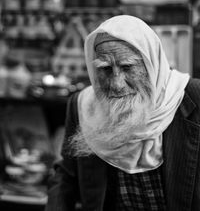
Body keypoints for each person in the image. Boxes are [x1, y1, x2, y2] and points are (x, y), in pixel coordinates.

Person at [45, 15, 200, 211]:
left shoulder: (193, 98)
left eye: (127, 67)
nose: (116, 84)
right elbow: (66, 176)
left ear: (151, 64)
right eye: (106, 69)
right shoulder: (83, 106)